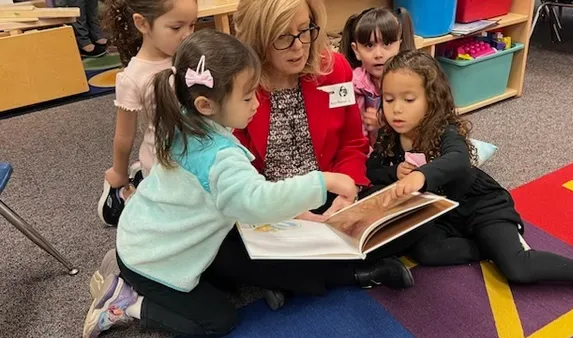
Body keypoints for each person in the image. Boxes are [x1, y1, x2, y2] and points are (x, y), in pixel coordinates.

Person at [83, 29, 413, 338]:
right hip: (153, 258)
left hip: (146, 234)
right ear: (206, 105)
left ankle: (127, 268)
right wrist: (321, 181)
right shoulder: (219, 157)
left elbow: (239, 198)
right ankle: (127, 303)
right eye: (246, 98)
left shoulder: (185, 120)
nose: (256, 103)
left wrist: (300, 213)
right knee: (217, 321)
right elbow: (256, 200)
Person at [369, 50, 573, 293]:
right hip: (443, 213)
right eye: (388, 99)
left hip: (482, 205)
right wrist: (395, 173)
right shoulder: (389, 134)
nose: (396, 110)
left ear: (431, 100)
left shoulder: (444, 131)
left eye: (408, 100)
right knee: (424, 252)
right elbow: (372, 170)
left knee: (518, 269)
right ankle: (490, 247)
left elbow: (458, 160)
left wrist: (422, 174)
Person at [233, 0, 370, 220]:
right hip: (268, 205)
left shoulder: (333, 69)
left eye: (304, 30)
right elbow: (238, 173)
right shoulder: (240, 85)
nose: (298, 46)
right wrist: (290, 212)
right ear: (259, 39)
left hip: (331, 197)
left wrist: (346, 191)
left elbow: (352, 143)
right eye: (282, 36)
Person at [97, 0, 197, 226]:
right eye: (176, 27)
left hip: (197, 151)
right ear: (143, 24)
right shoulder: (133, 77)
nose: (187, 35)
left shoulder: (186, 57)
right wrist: (118, 173)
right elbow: (124, 136)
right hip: (164, 164)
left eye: (192, 25)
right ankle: (132, 194)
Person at [340, 7, 415, 148]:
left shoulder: (412, 80)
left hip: (406, 150)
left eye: (387, 44)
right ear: (356, 51)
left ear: (399, 43)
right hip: (371, 155)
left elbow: (421, 123)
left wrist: (386, 122)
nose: (378, 54)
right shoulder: (355, 84)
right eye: (369, 45)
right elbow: (354, 133)